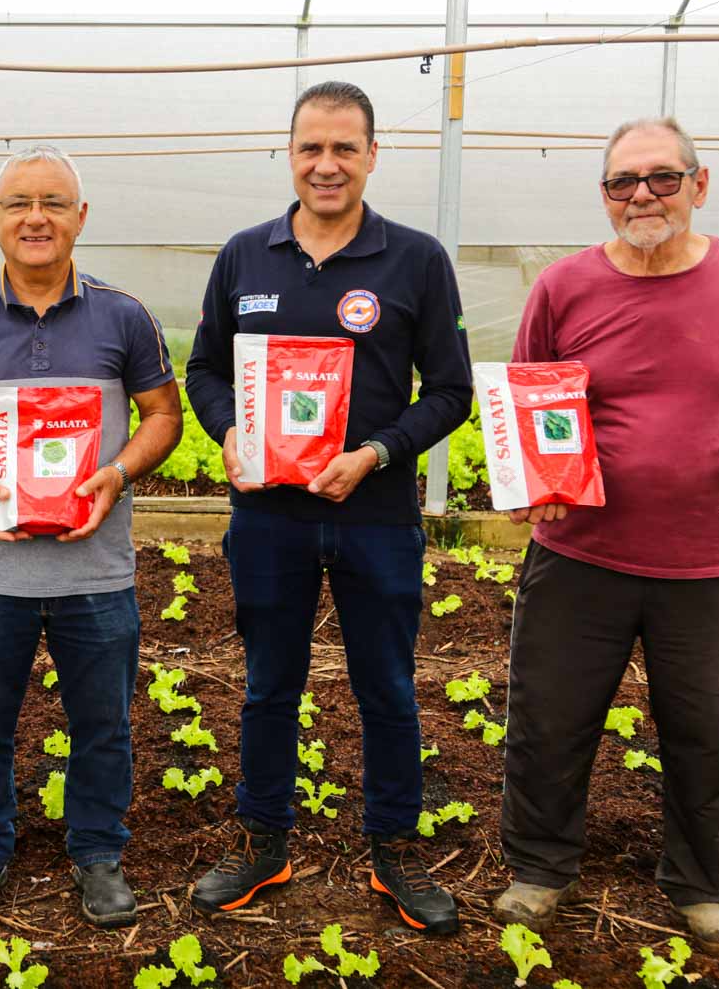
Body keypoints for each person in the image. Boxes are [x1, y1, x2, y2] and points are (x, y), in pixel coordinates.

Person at [492, 117, 719, 955]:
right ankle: (540, 866)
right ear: (604, 195)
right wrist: (529, 482)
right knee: (550, 719)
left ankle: (706, 886)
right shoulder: (564, 285)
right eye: (623, 181)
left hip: (712, 561)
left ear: (699, 185)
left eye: (663, 177)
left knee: (705, 731)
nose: (643, 194)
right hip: (579, 555)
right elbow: (531, 393)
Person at [183, 81, 472, 933]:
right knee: (268, 683)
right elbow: (204, 368)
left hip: (375, 513)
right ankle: (264, 840)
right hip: (269, 515)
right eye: (311, 146)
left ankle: (394, 848)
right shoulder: (246, 255)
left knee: (387, 685)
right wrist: (229, 432)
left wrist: (376, 452)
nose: (327, 163)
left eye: (345, 147)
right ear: (290, 153)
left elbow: (449, 389)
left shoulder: (416, 259)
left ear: (373, 155)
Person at [0, 145, 182, 928]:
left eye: (54, 202)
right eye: (19, 202)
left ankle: (98, 851)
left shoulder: (124, 317)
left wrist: (117, 472)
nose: (36, 217)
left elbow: (164, 414)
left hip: (97, 570)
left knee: (103, 726)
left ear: (80, 217)